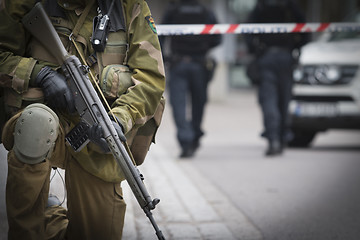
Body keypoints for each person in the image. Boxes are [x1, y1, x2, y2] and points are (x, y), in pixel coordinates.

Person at [0, 0, 165, 239]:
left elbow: (151, 79)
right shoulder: (22, 3)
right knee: (35, 123)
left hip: (96, 137)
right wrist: (39, 73)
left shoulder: (129, 6)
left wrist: (119, 119)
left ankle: (50, 217)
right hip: (46, 121)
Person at [245, 0, 309, 156]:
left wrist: (255, 50)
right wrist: (297, 48)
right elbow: (305, 28)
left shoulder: (262, 5)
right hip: (285, 58)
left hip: (267, 57)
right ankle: (280, 138)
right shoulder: (289, 5)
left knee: (269, 101)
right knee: (283, 101)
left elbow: (247, 29)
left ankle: (274, 139)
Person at [161, 0, 221, 158]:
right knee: (198, 104)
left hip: (177, 63)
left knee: (178, 105)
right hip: (199, 64)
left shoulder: (173, 10)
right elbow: (218, 38)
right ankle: (194, 136)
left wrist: (162, 58)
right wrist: (203, 47)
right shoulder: (206, 12)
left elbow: (159, 35)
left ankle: (185, 141)